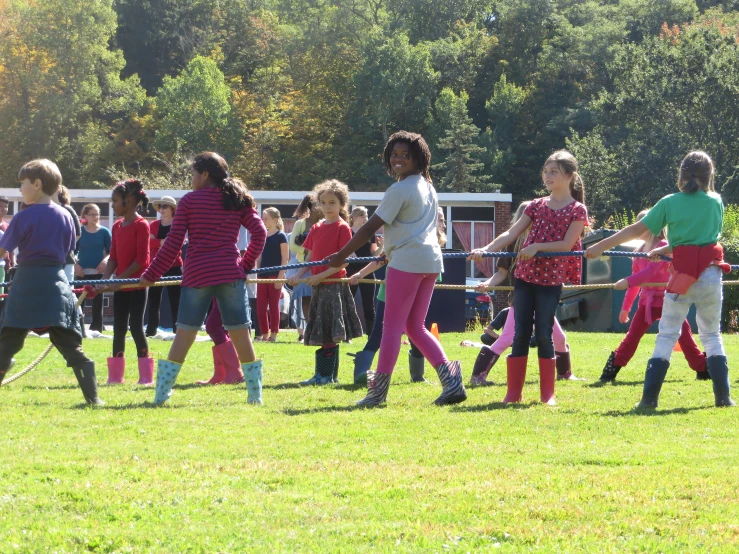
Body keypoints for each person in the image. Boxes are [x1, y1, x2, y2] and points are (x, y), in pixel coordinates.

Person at [326, 131, 466, 407]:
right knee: (414, 326)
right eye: (394, 154)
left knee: (391, 328)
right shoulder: (428, 187)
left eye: (405, 154)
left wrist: (341, 255)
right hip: (430, 262)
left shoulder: (399, 190)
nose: (398, 159)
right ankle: (452, 382)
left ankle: (377, 394)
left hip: (407, 261)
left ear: (420, 158)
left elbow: (369, 227)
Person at [586, 151, 733, 408]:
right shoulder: (716, 201)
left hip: (682, 277)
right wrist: (666, 249)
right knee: (712, 335)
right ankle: (723, 398)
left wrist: (602, 245)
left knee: (667, 335)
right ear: (710, 175)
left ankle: (648, 401)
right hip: (710, 274)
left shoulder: (669, 202)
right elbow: (703, 240)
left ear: (681, 175)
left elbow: (638, 229)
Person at [140, 152, 267, 405]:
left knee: (184, 334)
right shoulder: (236, 200)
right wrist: (245, 265)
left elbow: (173, 244)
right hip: (230, 274)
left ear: (205, 174)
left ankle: (162, 394)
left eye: (193, 173)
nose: (191, 179)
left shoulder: (189, 202)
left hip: (197, 274)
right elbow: (260, 233)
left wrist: (151, 275)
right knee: (241, 333)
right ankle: (255, 395)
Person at [470, 150, 588, 405]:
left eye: (554, 171)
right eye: (545, 171)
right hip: (525, 276)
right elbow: (510, 234)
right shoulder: (536, 205)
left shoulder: (578, 210)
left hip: (551, 280)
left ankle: (548, 395)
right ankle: (513, 394)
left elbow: (569, 244)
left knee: (545, 334)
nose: (547, 175)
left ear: (569, 176)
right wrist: (486, 250)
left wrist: (537, 247)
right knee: (520, 333)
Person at [0, 160, 102, 404]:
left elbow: (4, 249)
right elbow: (69, 248)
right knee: (69, 344)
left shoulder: (23, 217)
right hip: (56, 284)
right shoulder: (67, 216)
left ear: (37, 184)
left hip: (26, 284)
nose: (20, 189)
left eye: (23, 184)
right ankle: (93, 398)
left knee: (8, 342)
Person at [468, 201, 580, 386]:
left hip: (542, 298)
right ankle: (478, 376)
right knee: (507, 338)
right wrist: (487, 283)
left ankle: (564, 374)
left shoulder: (544, 244)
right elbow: (502, 273)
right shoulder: (512, 246)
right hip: (521, 300)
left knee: (559, 338)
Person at [598, 209, 709, 383]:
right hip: (647, 304)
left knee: (686, 338)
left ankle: (703, 368)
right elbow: (637, 285)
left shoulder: (663, 247)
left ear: (650, 226)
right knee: (632, 337)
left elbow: (649, 273)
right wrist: (625, 308)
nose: (636, 228)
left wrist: (627, 281)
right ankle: (613, 368)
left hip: (669, 302)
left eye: (639, 225)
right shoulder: (638, 251)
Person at [347, 207, 445, 385]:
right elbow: (381, 259)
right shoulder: (407, 240)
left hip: (414, 298)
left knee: (416, 333)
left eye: (443, 220)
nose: (443, 223)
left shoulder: (433, 248)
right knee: (379, 334)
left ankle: (418, 375)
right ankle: (361, 373)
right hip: (390, 295)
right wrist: (360, 274)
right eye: (439, 219)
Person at [288, 180, 363, 385]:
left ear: (342, 204)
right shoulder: (316, 228)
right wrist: (298, 275)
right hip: (318, 285)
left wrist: (321, 276)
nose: (328, 207)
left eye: (332, 202)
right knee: (322, 330)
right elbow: (310, 259)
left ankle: (327, 376)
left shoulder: (343, 228)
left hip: (334, 286)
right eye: (323, 202)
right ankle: (323, 375)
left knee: (330, 330)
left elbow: (343, 262)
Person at [98, 179, 152, 385]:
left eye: (115, 201)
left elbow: (142, 260)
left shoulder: (142, 225)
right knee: (119, 327)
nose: (112, 205)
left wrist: (119, 280)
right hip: (120, 285)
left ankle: (145, 376)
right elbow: (113, 257)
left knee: (136, 326)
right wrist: (105, 281)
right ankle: (115, 377)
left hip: (137, 285)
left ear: (128, 200)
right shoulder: (117, 226)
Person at [145, 196, 182, 337]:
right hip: (156, 266)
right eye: (160, 206)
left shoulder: (178, 224)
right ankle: (151, 331)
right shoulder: (153, 225)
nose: (162, 209)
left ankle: (177, 332)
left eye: (165, 206)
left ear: (172, 209)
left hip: (174, 266)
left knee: (176, 302)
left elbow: (176, 245)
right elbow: (148, 242)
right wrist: (162, 242)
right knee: (153, 301)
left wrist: (157, 242)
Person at [288, 195, 323, 342]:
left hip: (322, 266)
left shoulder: (325, 224)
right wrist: (308, 251)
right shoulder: (301, 224)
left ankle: (320, 329)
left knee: (321, 298)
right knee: (306, 299)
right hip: (304, 266)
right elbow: (293, 246)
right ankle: (308, 330)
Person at [75, 203, 111, 332]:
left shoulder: (104, 232)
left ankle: (97, 327)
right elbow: (72, 251)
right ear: (85, 215)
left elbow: (111, 251)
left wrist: (105, 261)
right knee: (80, 300)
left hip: (98, 272)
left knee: (98, 301)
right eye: (92, 214)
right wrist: (76, 264)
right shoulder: (80, 231)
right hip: (82, 272)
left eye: (97, 214)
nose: (95, 217)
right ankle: (78, 326)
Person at [255, 207, 288, 342]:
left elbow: (285, 258)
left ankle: (274, 334)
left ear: (275, 220)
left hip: (275, 275)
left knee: (274, 305)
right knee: (261, 306)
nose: (264, 220)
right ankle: (264, 334)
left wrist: (280, 278)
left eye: (266, 218)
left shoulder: (281, 236)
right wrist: (257, 274)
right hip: (262, 275)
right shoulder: (262, 235)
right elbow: (260, 257)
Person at [346, 206, 380, 335]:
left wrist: (382, 245)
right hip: (350, 271)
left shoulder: (370, 233)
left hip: (367, 270)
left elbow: (374, 254)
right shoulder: (347, 232)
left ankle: (371, 334)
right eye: (363, 216)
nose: (366, 219)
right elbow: (344, 249)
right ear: (354, 218)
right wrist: (350, 252)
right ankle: (347, 334)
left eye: (366, 216)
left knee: (369, 304)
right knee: (348, 303)